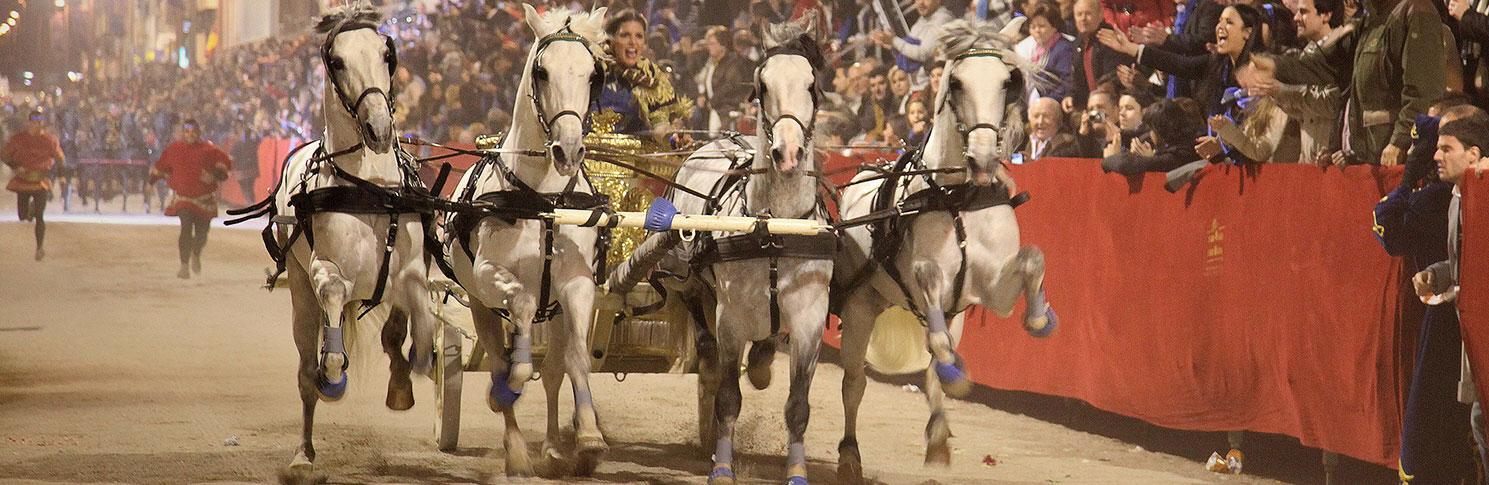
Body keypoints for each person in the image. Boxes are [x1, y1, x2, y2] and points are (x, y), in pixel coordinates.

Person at [1374, 103, 1480, 485]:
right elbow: (1458, 259)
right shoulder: (1452, 196)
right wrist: (1435, 274)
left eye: (1443, 145)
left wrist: (1407, 180)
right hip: (1451, 314)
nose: (1434, 153)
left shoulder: (1447, 196)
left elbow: (1390, 225)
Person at [1246, 0, 1447, 166]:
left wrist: (1400, 141)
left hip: (1396, 160)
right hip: (1369, 158)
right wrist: (1275, 67)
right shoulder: (1370, 20)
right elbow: (1329, 68)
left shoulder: (1416, 11)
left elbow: (1423, 91)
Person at [1099, 3, 1265, 117]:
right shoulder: (1216, 63)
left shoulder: (1262, 69)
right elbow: (1177, 64)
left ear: (1247, 33)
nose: (1219, 27)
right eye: (1220, 21)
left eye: (1229, 22)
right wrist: (1130, 48)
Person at [597, 9, 695, 144]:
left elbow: (659, 121)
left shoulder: (650, 75)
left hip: (632, 160)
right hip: (586, 155)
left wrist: (672, 138)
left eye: (639, 36)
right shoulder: (593, 69)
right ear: (611, 39)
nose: (633, 42)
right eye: (625, 35)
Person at [150, 120, 232, 279]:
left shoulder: (210, 150)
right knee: (185, 229)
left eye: (193, 131)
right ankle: (184, 266)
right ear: (183, 133)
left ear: (198, 132)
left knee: (202, 234)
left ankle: (196, 253)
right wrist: (150, 182)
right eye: (187, 132)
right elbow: (161, 167)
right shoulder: (175, 149)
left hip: (205, 201)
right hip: (184, 199)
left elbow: (225, 170)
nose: (190, 135)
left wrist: (213, 176)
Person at [2, 109, 64, 261]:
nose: (37, 126)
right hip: (23, 181)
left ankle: (39, 247)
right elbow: (4, 155)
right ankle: (29, 212)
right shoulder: (19, 139)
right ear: (29, 123)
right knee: (23, 215)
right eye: (34, 122)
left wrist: (62, 175)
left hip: (41, 182)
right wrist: (16, 166)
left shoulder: (50, 140)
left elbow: (60, 158)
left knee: (40, 217)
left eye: (40, 123)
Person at [1064, 0, 1134, 113]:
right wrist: (1070, 96)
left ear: (1100, 15)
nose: (1083, 18)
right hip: (1091, 106)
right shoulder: (1077, 43)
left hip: (1115, 105)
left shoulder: (1110, 38)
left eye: (1088, 13)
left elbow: (1113, 77)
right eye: (1079, 14)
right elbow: (1076, 78)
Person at [1101, 98, 1203, 173]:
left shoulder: (1179, 155)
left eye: (1151, 129)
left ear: (1159, 132)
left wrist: (1112, 157)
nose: (1149, 134)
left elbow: (1123, 164)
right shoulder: (1186, 146)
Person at [693, 25, 754, 136]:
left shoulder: (734, 63)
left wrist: (712, 101)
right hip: (714, 112)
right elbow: (709, 84)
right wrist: (704, 95)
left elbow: (730, 86)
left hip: (728, 114)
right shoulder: (712, 63)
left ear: (723, 46)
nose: (709, 47)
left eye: (712, 44)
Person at [870, 0, 956, 78]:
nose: (920, 3)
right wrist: (890, 44)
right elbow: (908, 54)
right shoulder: (920, 22)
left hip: (938, 80)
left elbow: (923, 54)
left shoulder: (943, 19)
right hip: (920, 83)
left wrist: (894, 41)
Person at [1015, 1, 1078, 103]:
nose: (1037, 31)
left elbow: (1066, 83)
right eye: (1033, 27)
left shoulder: (1063, 49)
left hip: (1054, 104)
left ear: (1054, 27)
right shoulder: (1034, 49)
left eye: (1042, 26)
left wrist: (1045, 102)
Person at [1017, 97, 1082, 161]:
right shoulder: (1028, 140)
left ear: (1057, 119)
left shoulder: (1067, 143)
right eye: (1036, 116)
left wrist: (1031, 165)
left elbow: (1055, 168)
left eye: (1046, 116)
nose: (1040, 122)